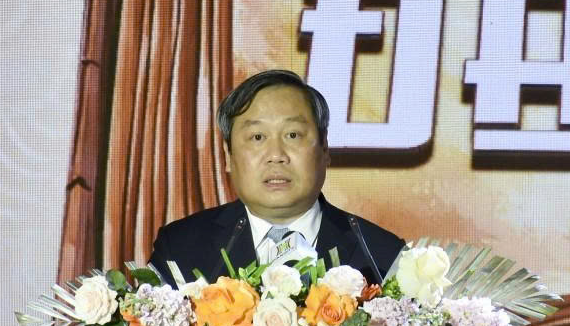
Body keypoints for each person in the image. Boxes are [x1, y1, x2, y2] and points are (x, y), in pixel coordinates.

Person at [148, 69, 404, 284]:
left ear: (325, 148)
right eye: (257, 137)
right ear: (228, 154)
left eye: (292, 135)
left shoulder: (383, 256)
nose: (276, 155)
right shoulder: (180, 249)